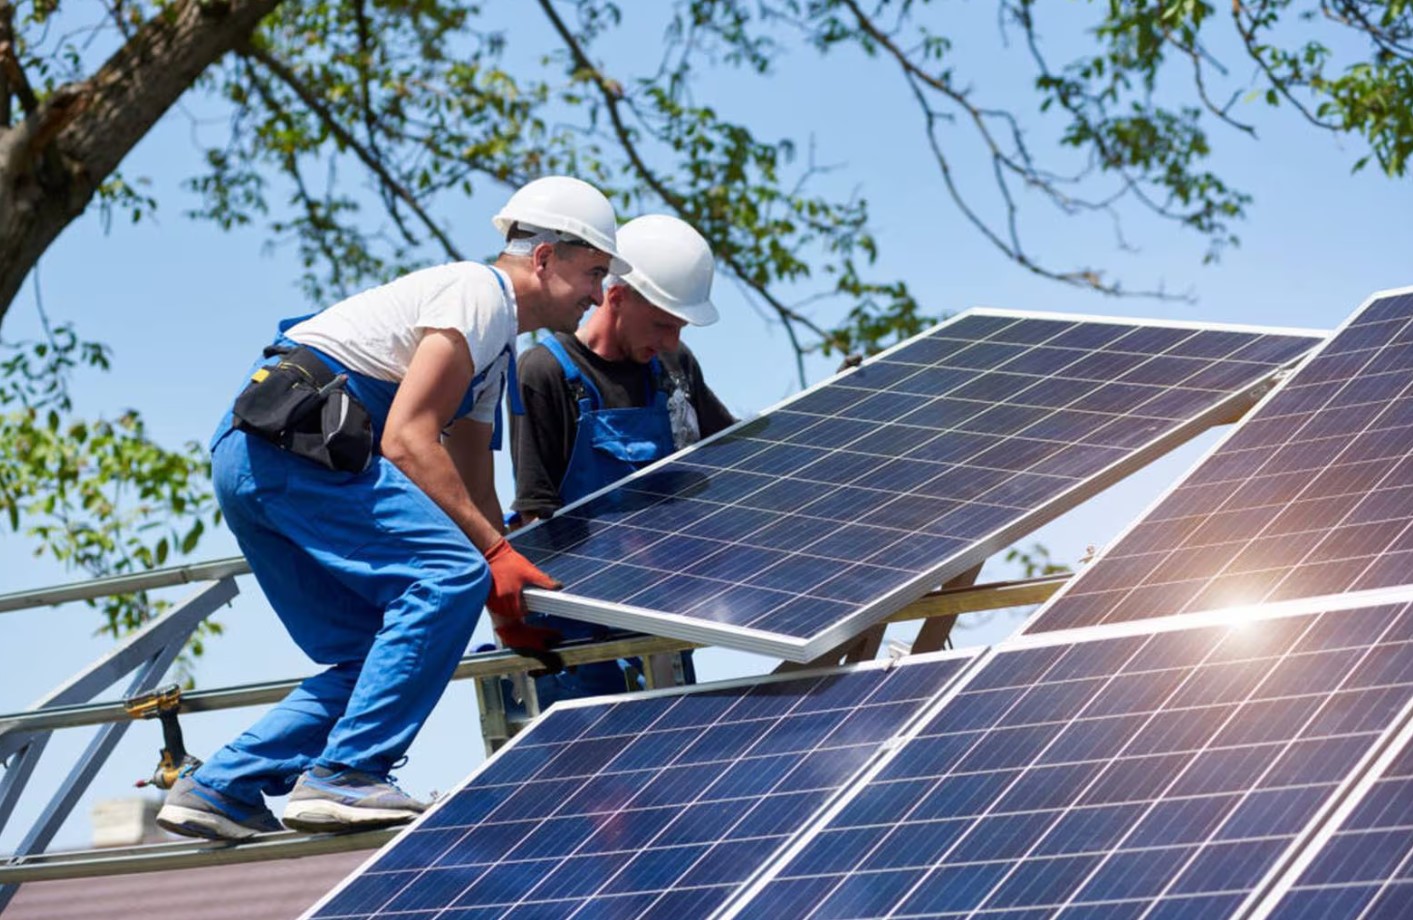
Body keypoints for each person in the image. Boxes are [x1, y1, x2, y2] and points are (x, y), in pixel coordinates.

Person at [155, 176, 627, 841]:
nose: (594, 292)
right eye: (593, 271)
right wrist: (486, 562)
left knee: (378, 656)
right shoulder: (477, 296)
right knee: (442, 580)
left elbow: (469, 477)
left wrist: (501, 591)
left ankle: (220, 787)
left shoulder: (493, 352)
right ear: (545, 258)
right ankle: (346, 773)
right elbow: (407, 440)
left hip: (258, 458)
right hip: (301, 453)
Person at [508, 213, 735, 708]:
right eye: (662, 324)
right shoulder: (544, 372)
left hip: (661, 614)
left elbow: (735, 460)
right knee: (598, 777)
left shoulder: (675, 367)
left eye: (679, 328)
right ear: (616, 297)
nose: (671, 341)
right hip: (579, 639)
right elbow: (534, 518)